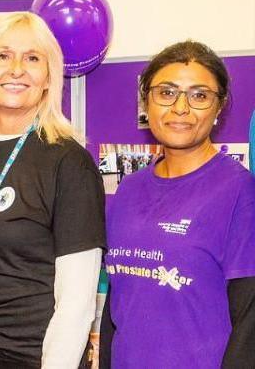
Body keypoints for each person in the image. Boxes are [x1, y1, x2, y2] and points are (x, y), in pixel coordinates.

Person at [0, 12, 106, 368]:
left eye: (33, 58)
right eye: (2, 56)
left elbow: (77, 302)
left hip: (33, 358)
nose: (16, 69)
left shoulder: (69, 162)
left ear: (48, 78)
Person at [102, 41, 255, 368]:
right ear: (147, 101)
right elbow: (115, 307)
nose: (180, 108)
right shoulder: (128, 190)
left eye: (199, 95)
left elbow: (249, 321)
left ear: (219, 107)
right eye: (166, 93)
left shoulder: (241, 192)